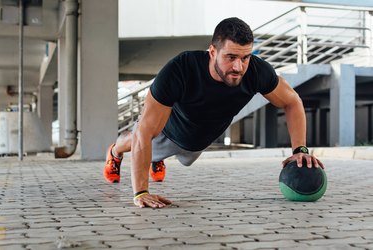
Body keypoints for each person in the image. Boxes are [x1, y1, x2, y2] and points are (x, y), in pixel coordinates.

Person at [103, 17, 324, 208]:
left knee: (177, 154)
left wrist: (300, 150)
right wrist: (141, 192)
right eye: (231, 57)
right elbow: (144, 132)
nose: (239, 67)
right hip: (169, 131)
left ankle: (153, 158)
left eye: (245, 57)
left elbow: (292, 101)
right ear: (212, 52)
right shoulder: (180, 69)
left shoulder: (257, 71)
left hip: (199, 141)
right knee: (140, 139)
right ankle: (115, 152)